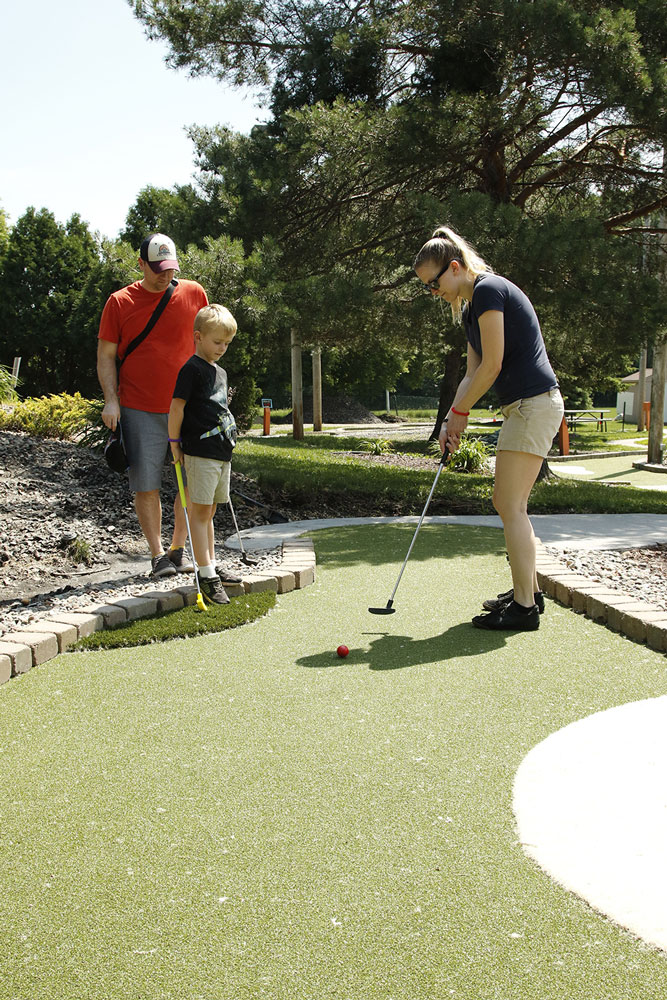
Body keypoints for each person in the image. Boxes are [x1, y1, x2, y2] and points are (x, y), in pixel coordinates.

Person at [414, 226, 564, 631]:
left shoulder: (488, 290)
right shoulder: (468, 309)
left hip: (535, 405)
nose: (433, 292)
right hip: (524, 408)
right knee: (511, 504)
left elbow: (495, 363)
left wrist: (462, 412)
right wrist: (451, 418)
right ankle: (527, 592)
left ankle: (525, 609)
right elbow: (474, 371)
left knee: (507, 504)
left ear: (455, 267)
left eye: (434, 282)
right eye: (427, 287)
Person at [97, 233, 208, 578]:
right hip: (139, 406)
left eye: (170, 268)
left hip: (187, 407)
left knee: (190, 482)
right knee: (146, 483)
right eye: (157, 268)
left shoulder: (193, 293)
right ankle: (158, 555)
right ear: (141, 264)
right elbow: (106, 357)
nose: (164, 275)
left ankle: (178, 549)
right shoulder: (119, 302)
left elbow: (206, 343)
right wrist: (111, 402)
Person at [168, 304, 239, 605]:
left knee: (209, 511)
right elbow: (177, 408)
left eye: (226, 343)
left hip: (220, 453)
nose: (222, 348)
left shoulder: (219, 372)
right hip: (199, 453)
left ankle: (209, 562)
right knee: (199, 512)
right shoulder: (191, 369)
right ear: (198, 337)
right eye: (217, 342)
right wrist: (174, 443)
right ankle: (206, 574)